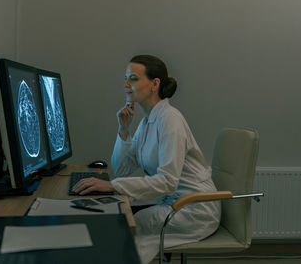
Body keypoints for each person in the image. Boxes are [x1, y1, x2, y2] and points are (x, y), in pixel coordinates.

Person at [73, 55, 221, 264]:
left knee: (125, 224)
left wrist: (111, 186)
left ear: (154, 84)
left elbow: (168, 181)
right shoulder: (146, 123)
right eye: (125, 78)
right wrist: (124, 130)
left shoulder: (170, 120)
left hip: (194, 209)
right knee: (118, 215)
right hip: (172, 202)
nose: (125, 84)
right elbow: (122, 169)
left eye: (132, 78)